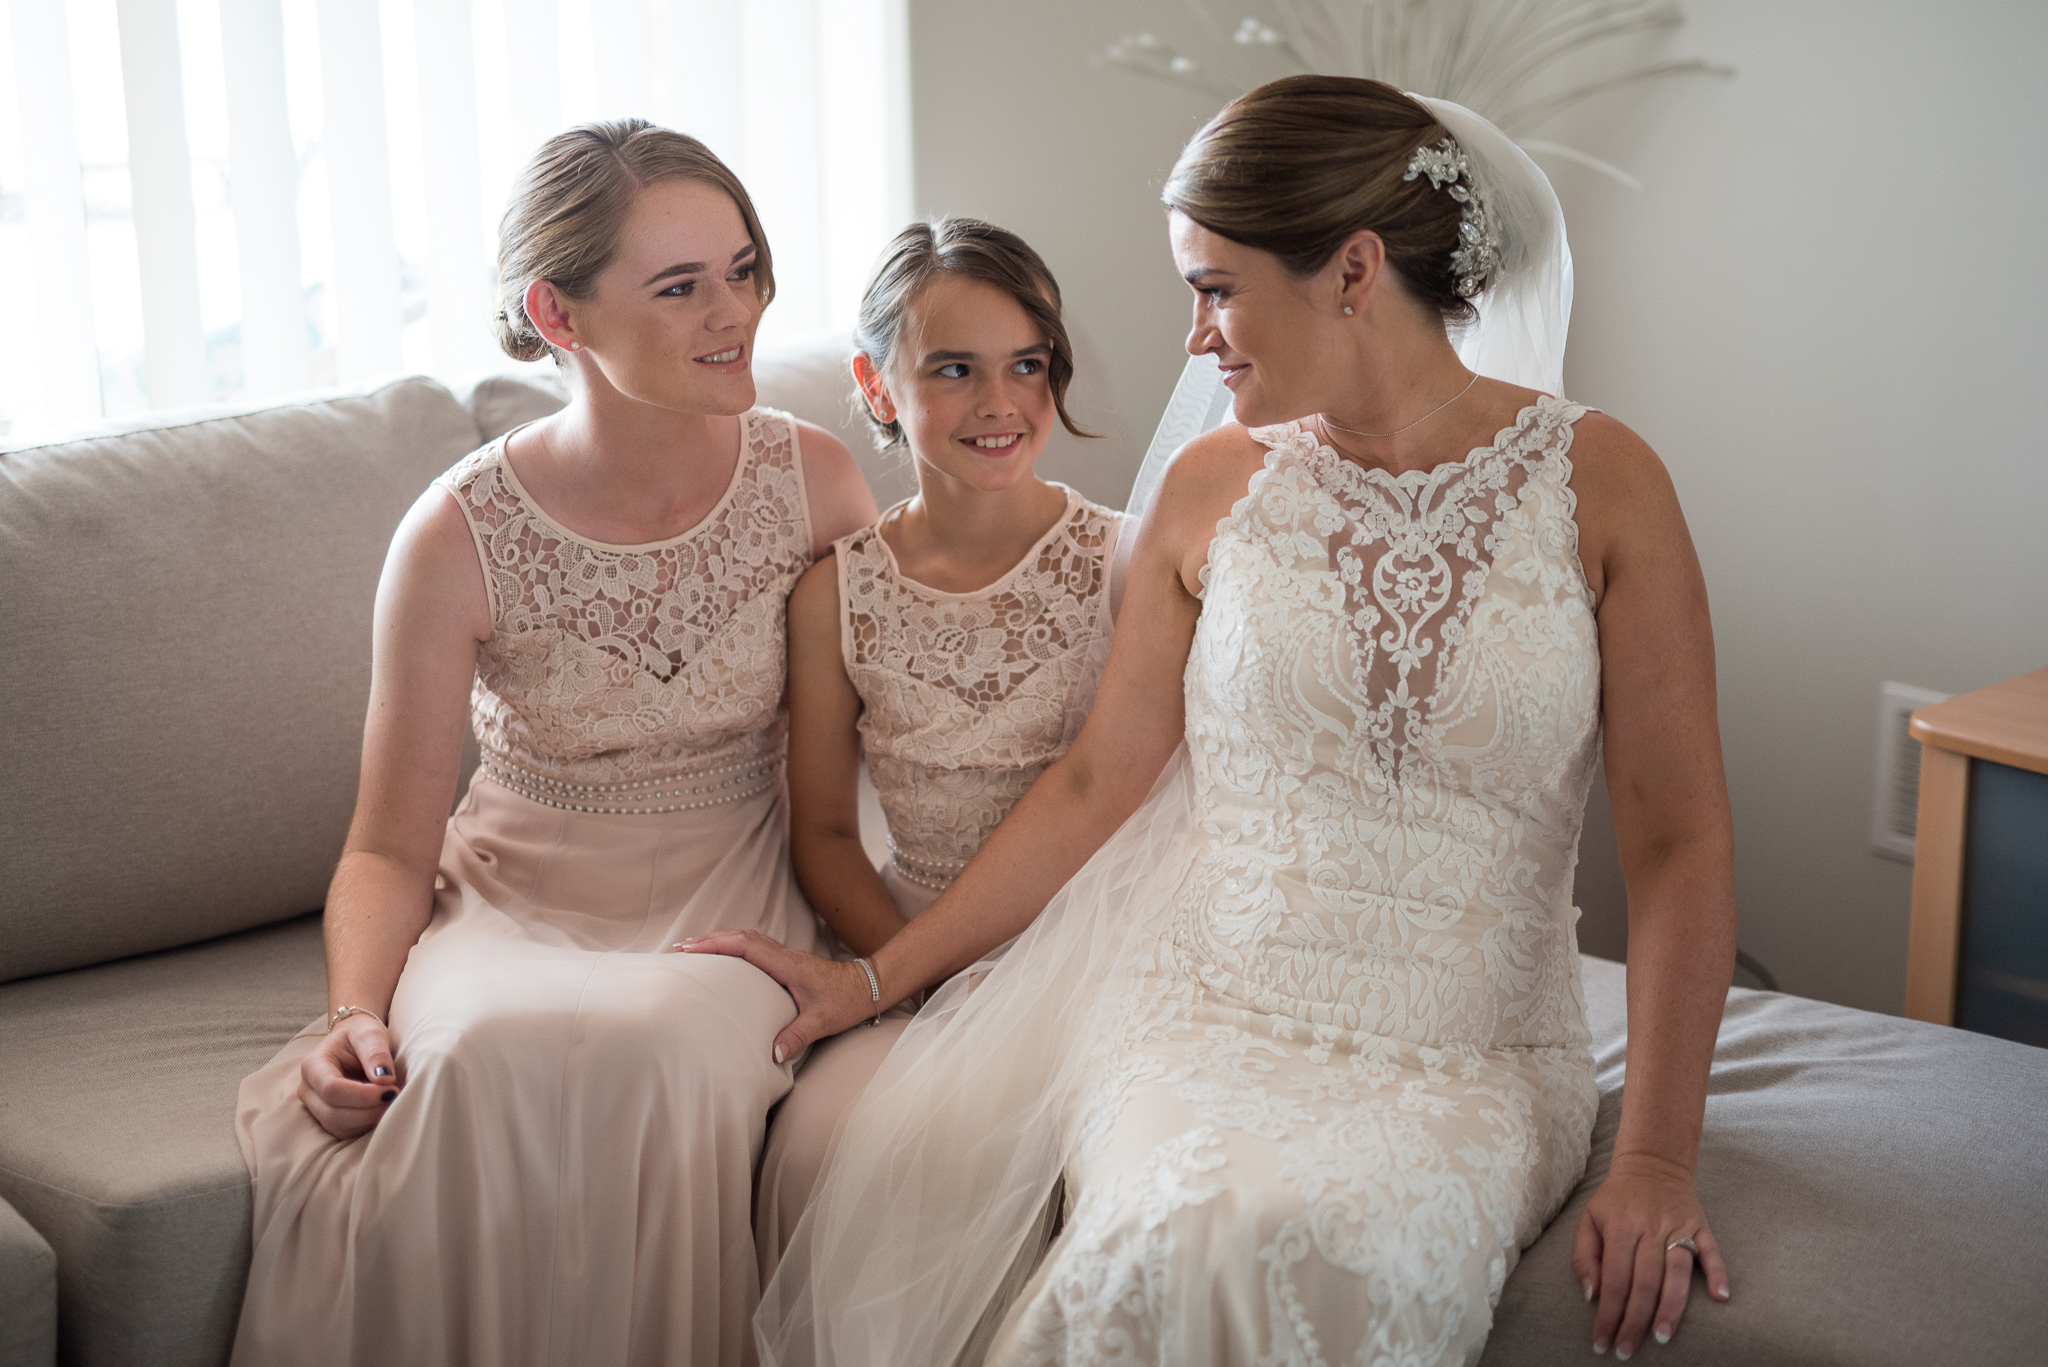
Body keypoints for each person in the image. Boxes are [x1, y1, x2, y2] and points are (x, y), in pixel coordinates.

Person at [687, 75, 1738, 1366]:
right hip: (1208, 1009)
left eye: (1216, 287)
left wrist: (1659, 1156)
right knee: (1171, 1235)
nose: (1194, 338)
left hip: (1472, 1047)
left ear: (1353, 270)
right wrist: (877, 977)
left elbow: (1680, 842)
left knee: (1353, 1250)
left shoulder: (1604, 484)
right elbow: (1095, 783)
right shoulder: (1206, 489)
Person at [230, 119, 876, 1367]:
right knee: (463, 1059)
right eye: (679, 286)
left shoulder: (815, 480)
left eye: (741, 269)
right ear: (557, 312)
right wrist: (352, 1014)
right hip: (520, 892)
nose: (730, 312)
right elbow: (384, 846)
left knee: (660, 1046)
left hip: (737, 876)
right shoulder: (454, 534)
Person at [749, 218, 1124, 1279]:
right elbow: (822, 831)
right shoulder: (835, 593)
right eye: (953, 370)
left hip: (1087, 945)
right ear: (876, 384)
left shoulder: (1122, 562)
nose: (999, 404)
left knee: (1044, 1155)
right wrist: (921, 977)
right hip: (910, 941)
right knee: (824, 1142)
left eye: (1026, 366)